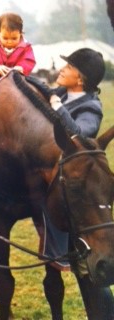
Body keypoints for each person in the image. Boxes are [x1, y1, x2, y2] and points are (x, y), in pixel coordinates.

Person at [35, 47, 114, 320]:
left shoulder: (90, 107)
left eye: (67, 67)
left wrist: (56, 107)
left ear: (79, 78)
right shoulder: (63, 96)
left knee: (91, 270)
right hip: (61, 190)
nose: (62, 70)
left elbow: (79, 135)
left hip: (81, 195)